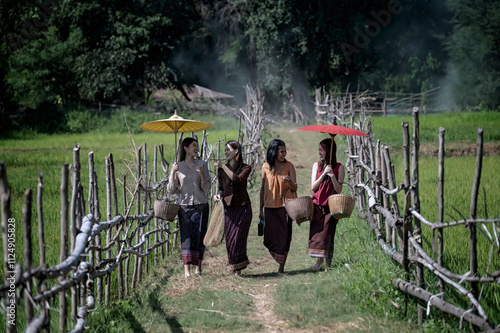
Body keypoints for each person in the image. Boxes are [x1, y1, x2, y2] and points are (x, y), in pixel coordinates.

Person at [168, 137, 211, 278]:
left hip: (201, 205)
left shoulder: (202, 164)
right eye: (194, 145)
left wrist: (203, 174)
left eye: (197, 146)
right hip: (185, 207)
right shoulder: (178, 166)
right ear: (185, 148)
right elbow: (171, 190)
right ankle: (187, 272)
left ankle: (198, 269)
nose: (196, 148)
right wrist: (173, 173)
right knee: (186, 238)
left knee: (200, 236)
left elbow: (207, 188)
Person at [259, 139, 297, 275]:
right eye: (281, 151)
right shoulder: (265, 167)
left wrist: (290, 181)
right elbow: (262, 189)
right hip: (269, 207)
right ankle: (278, 258)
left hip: (286, 207)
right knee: (269, 238)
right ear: (273, 152)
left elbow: (295, 187)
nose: (284, 153)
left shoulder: (289, 166)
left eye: (285, 151)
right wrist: (260, 210)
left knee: (284, 238)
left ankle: (281, 268)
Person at [214, 140, 252, 277]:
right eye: (225, 150)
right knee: (230, 239)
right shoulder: (221, 170)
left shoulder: (246, 168)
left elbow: (236, 179)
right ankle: (234, 267)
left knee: (238, 238)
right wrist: (218, 195)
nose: (225, 152)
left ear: (236, 151)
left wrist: (223, 166)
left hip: (242, 207)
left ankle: (238, 268)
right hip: (229, 208)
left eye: (228, 149)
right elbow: (221, 188)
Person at [308, 138, 345, 271]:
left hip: (332, 206)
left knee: (328, 234)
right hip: (317, 205)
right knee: (317, 234)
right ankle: (319, 262)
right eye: (319, 150)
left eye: (321, 150)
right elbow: (313, 187)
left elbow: (339, 189)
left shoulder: (339, 167)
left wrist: (332, 176)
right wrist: (324, 174)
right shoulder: (316, 166)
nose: (319, 153)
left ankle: (327, 264)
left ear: (329, 151)